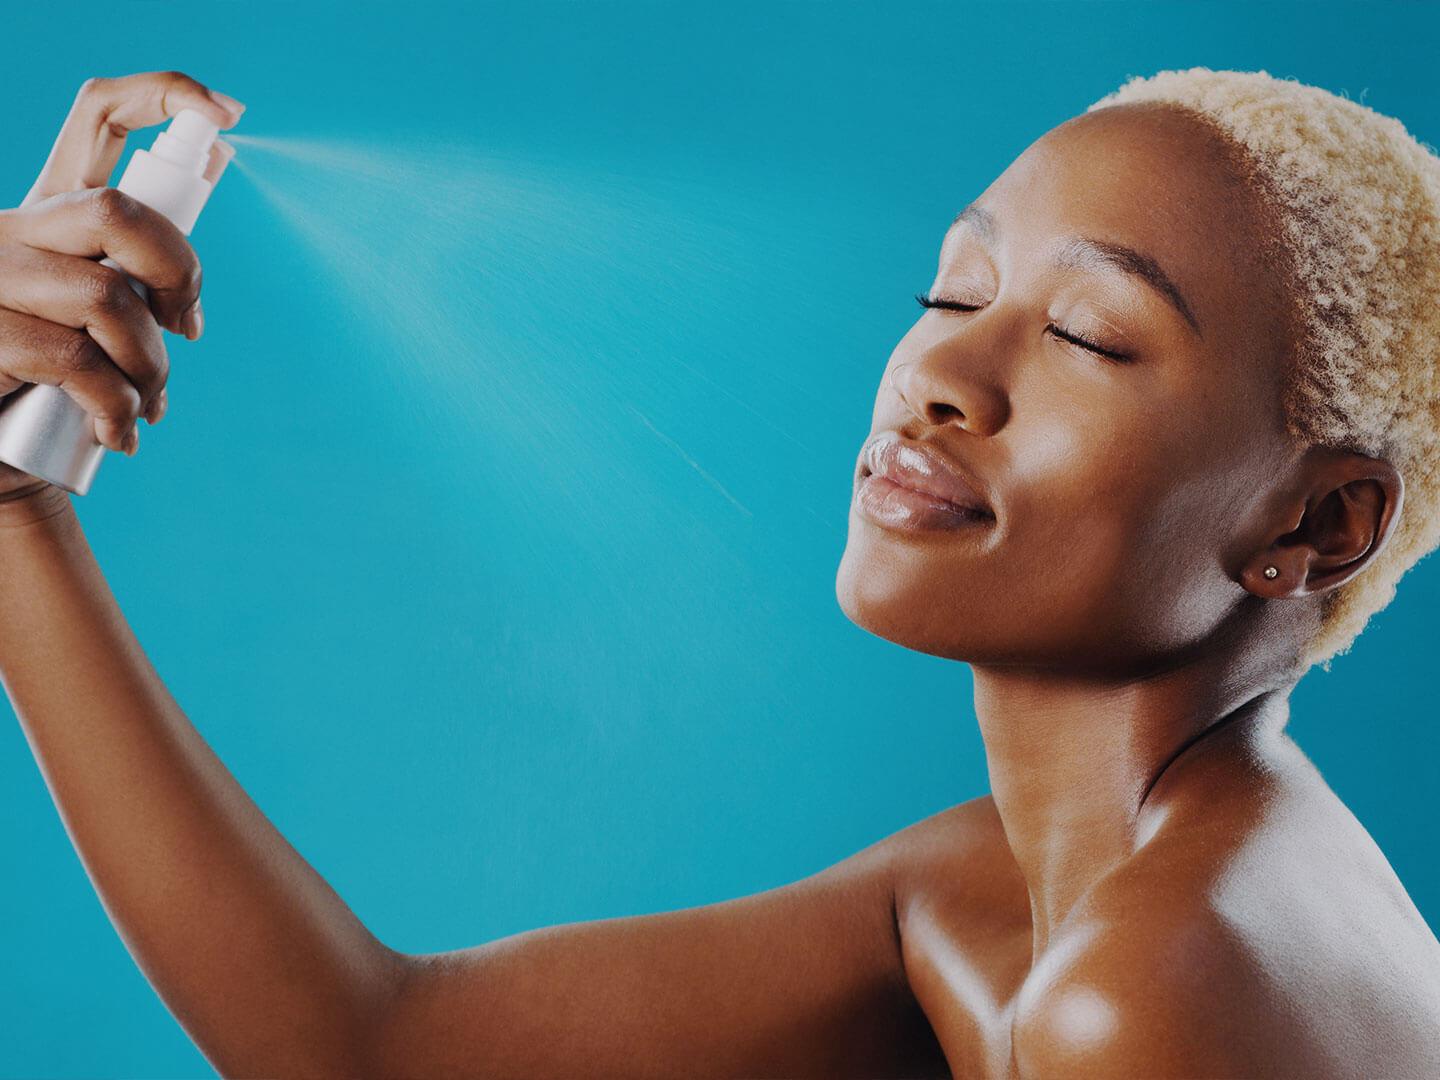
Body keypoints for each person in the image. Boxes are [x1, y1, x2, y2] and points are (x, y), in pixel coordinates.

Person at [1, 66, 1437, 1079]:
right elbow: (374, 1050)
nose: (940, 368)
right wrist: (16, 514)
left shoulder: (1154, 990)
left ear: (1320, 527)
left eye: (1088, 338)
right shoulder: (1014, 884)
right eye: (954, 290)